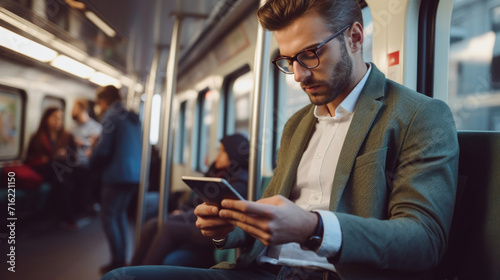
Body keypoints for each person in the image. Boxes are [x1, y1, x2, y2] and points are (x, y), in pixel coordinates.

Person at [103, 0, 459, 279]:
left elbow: (424, 240)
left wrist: (314, 228)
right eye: (289, 60)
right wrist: (229, 229)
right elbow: (266, 220)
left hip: (334, 274)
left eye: (310, 53)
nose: (299, 75)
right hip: (262, 269)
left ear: (354, 37)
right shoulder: (297, 124)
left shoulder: (418, 115)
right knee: (122, 277)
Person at [129, 134, 250, 268]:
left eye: (222, 151)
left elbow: (214, 210)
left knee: (167, 227)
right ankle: (132, 270)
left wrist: (179, 217)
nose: (218, 155)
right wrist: (180, 211)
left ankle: (143, 275)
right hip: (199, 221)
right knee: (152, 224)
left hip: (214, 228)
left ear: (233, 154)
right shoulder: (219, 173)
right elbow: (199, 199)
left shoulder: (240, 182)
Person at [89, 85, 142, 275]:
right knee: (119, 215)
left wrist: (91, 157)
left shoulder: (111, 116)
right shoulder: (132, 116)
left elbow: (104, 150)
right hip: (134, 174)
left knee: (109, 215)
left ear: (103, 101)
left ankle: (117, 261)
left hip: (117, 174)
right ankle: (121, 258)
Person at [26, 107, 78, 228]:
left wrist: (64, 155)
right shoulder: (37, 137)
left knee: (60, 179)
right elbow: (29, 158)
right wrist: (46, 158)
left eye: (60, 119)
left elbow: (74, 158)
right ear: (46, 119)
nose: (58, 121)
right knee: (58, 177)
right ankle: (68, 218)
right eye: (55, 118)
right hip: (45, 171)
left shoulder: (67, 137)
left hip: (62, 171)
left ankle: (64, 216)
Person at [71, 99, 102, 215]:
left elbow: (98, 146)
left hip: (88, 163)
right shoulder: (73, 128)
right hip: (74, 162)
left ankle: (88, 206)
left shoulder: (95, 127)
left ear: (82, 109)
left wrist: (83, 143)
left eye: (75, 108)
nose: (72, 111)